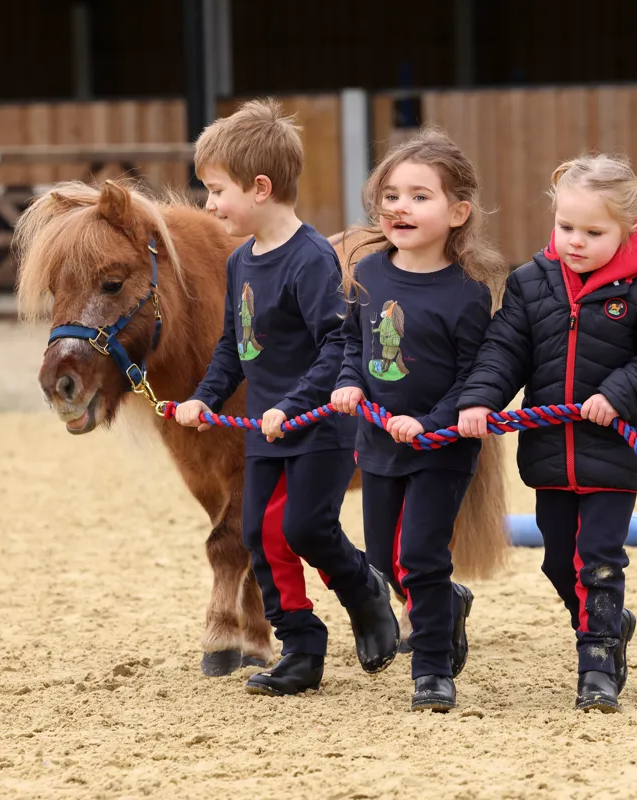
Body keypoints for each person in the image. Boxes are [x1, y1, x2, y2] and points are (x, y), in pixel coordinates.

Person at [457, 153, 637, 712]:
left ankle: (596, 664)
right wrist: (478, 399)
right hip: (550, 455)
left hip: (613, 453)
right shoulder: (529, 283)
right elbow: (504, 352)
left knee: (598, 557)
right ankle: (609, 623)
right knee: (557, 560)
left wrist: (616, 394)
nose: (575, 241)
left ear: (628, 229)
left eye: (593, 232)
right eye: (566, 227)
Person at [175, 98, 399, 697]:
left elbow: (336, 347)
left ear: (261, 187)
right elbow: (233, 345)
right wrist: (205, 398)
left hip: (318, 429)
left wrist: (291, 406)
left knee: (305, 528)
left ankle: (365, 591)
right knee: (259, 535)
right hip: (266, 430)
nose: (209, 203)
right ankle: (301, 646)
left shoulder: (312, 260)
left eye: (216, 190)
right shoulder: (241, 263)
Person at [331, 128, 506, 712]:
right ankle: (447, 605)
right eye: (391, 195)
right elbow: (352, 341)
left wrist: (430, 421)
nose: (400, 207)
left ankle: (432, 670)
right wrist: (349, 381)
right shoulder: (368, 273)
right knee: (384, 560)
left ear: (458, 212)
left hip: (441, 447)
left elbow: (472, 377)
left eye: (419, 196)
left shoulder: (467, 293)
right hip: (378, 443)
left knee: (423, 556)